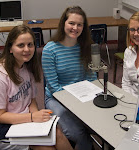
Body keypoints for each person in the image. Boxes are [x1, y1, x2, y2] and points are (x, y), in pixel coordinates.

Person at [0, 25, 73, 150]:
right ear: (10, 48)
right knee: (45, 147)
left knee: (57, 133)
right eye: (21, 45)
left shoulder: (26, 68)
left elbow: (31, 100)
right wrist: (32, 117)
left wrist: (36, 117)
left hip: (21, 121)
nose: (27, 49)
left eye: (30, 45)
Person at [41, 6, 97, 150]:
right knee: (78, 133)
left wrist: (85, 98)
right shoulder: (50, 50)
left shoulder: (86, 47)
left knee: (100, 123)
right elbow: (54, 87)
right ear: (63, 24)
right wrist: (75, 104)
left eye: (79, 24)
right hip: (56, 98)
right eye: (71, 23)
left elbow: (91, 78)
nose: (75, 27)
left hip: (82, 95)